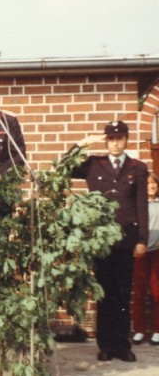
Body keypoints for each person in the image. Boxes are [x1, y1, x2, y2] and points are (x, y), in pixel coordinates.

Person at [69, 121, 148, 362]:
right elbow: (64, 167)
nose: (116, 143)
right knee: (103, 294)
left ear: (127, 140)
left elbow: (141, 206)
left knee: (123, 293)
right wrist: (81, 144)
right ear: (106, 141)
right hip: (100, 242)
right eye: (111, 139)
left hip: (126, 240)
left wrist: (142, 239)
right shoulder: (94, 164)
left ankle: (122, 345)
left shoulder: (138, 168)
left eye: (120, 138)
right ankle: (105, 345)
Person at [131, 172, 159, 345]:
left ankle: (157, 330)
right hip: (141, 253)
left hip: (157, 253)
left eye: (154, 184)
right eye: (148, 184)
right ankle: (139, 330)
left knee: (157, 293)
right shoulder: (138, 206)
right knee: (139, 292)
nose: (151, 186)